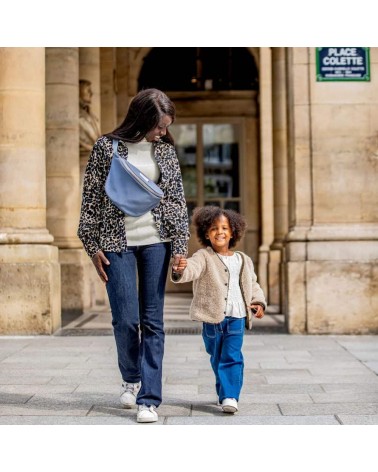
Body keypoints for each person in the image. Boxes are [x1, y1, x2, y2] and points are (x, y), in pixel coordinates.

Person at [78, 88, 190, 423]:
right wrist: (91, 244)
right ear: (142, 119)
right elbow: (91, 199)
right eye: (159, 126)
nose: (163, 132)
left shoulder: (166, 152)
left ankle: (149, 399)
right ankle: (131, 377)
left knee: (153, 321)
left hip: (157, 242)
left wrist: (180, 248)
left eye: (166, 127)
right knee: (125, 319)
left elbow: (176, 201)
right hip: (115, 242)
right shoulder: (106, 147)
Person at [171, 206, 266, 414]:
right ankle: (224, 390)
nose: (220, 232)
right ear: (206, 233)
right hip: (212, 319)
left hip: (237, 316)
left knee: (231, 355)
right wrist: (180, 269)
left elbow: (253, 284)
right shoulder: (203, 256)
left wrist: (258, 302)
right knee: (217, 357)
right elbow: (192, 269)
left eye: (225, 228)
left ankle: (230, 396)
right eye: (214, 228)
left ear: (233, 232)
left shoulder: (243, 260)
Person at [79, 79, 101, 153]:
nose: (91, 93)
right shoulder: (74, 116)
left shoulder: (93, 116)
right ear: (78, 91)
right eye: (88, 90)